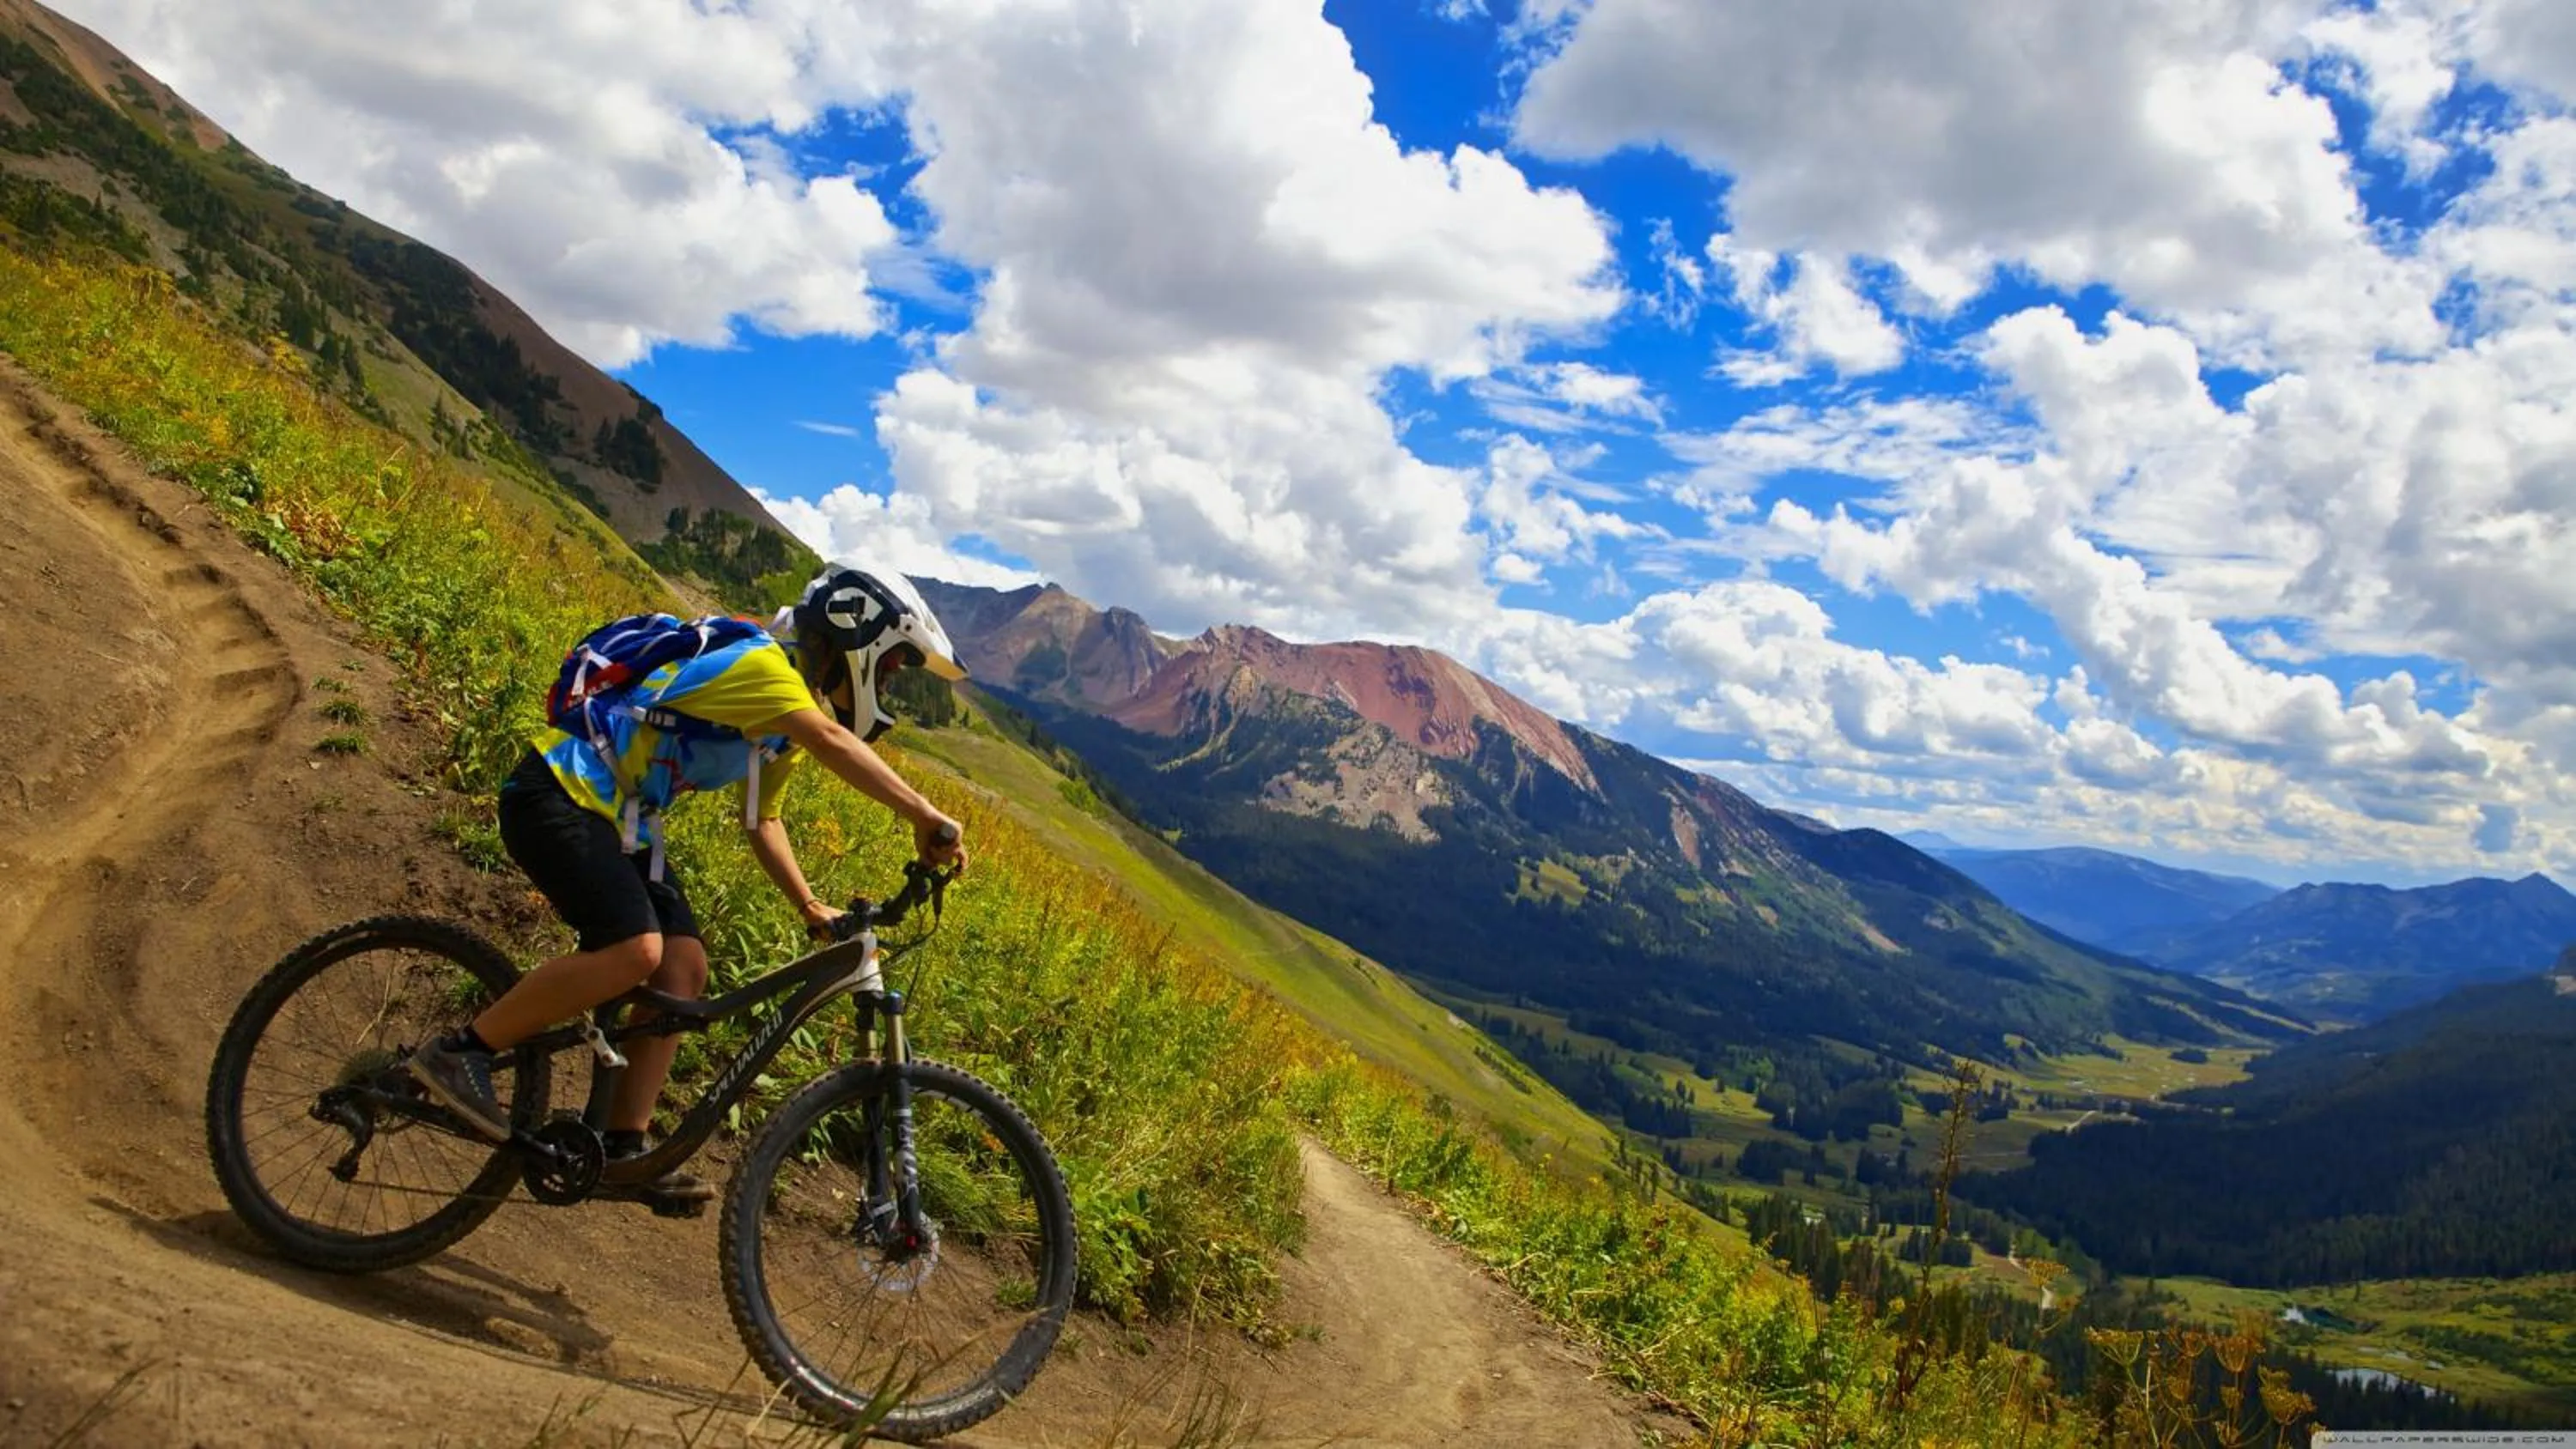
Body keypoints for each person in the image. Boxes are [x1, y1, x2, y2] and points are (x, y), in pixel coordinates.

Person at [405, 564, 970, 1211]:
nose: (892, 681)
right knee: (635, 950)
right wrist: (924, 813)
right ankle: (460, 1053)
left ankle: (624, 1147)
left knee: (683, 969)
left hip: (621, 821)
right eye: (894, 665)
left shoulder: (783, 720)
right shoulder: (764, 669)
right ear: (858, 634)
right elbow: (830, 738)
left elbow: (763, 819)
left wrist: (809, 905)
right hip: (558, 792)